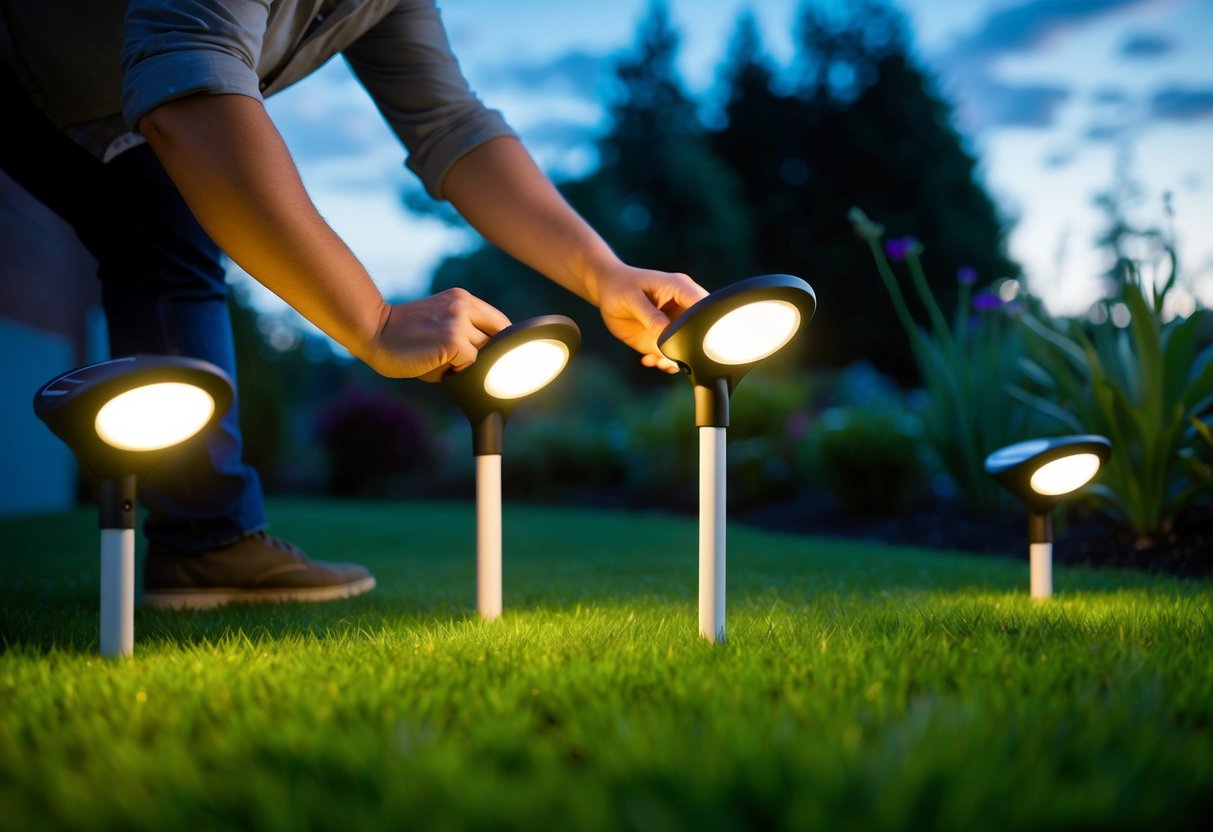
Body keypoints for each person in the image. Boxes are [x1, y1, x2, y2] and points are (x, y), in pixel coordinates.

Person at [0, 0, 707, 609]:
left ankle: (205, 543)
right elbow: (189, 78)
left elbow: (450, 124)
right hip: (29, 66)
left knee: (166, 246)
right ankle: (205, 539)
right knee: (172, 232)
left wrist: (601, 272)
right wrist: (372, 320)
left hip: (102, 105)